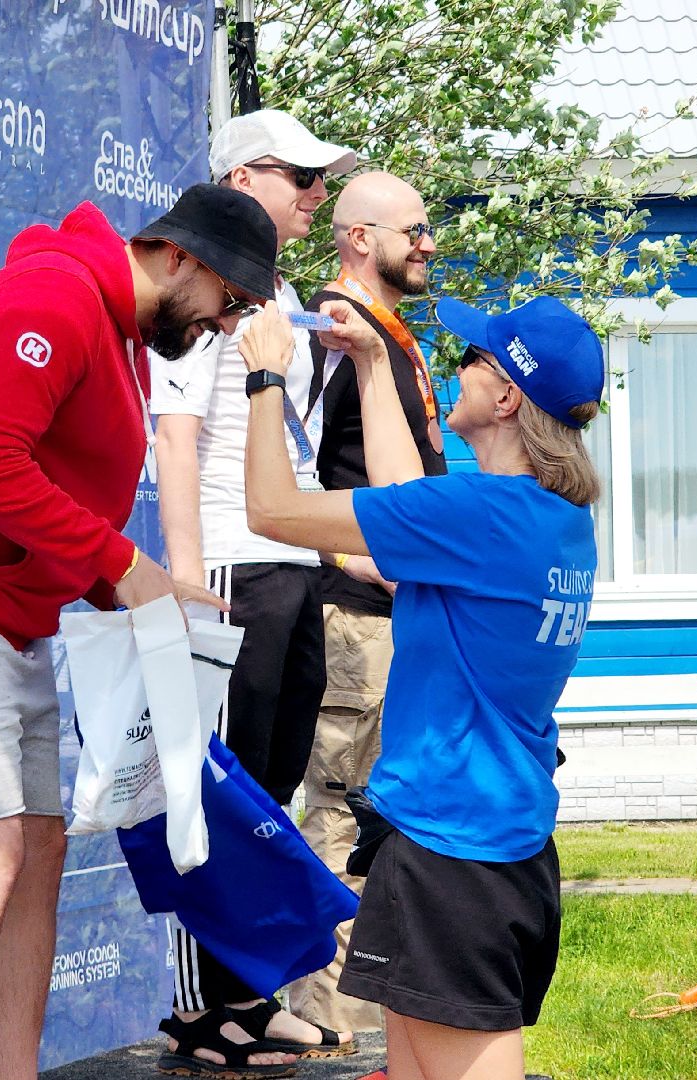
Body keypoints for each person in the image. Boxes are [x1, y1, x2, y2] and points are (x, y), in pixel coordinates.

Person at [0, 184, 277, 1080]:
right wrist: (120, 563)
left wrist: (125, 588)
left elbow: (48, 495)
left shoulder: (119, 335)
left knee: (35, 855)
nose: (227, 325)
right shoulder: (55, 297)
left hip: (6, 617)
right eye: (229, 299)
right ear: (178, 257)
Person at [237, 293, 604, 1080]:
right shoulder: (549, 520)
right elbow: (407, 497)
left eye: (473, 359)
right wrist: (374, 362)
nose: (455, 368)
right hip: (481, 840)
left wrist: (265, 377)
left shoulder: (479, 514)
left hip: (451, 856)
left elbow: (269, 510)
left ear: (506, 399)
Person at [149, 109, 360, 1075]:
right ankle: (202, 1009)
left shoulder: (285, 296)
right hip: (230, 567)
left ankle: (249, 994)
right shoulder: (206, 288)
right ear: (242, 179)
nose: (316, 195)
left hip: (291, 563)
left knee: (268, 790)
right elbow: (175, 437)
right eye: (300, 177)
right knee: (216, 790)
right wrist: (187, 579)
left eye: (323, 181)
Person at [288, 171, 446, 1036]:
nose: (428, 243)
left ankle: (378, 1017)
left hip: (406, 619)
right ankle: (326, 1021)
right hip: (352, 619)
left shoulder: (386, 331)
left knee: (393, 819)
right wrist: (356, 560)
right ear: (357, 237)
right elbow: (291, 473)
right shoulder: (330, 328)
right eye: (412, 230)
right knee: (340, 816)